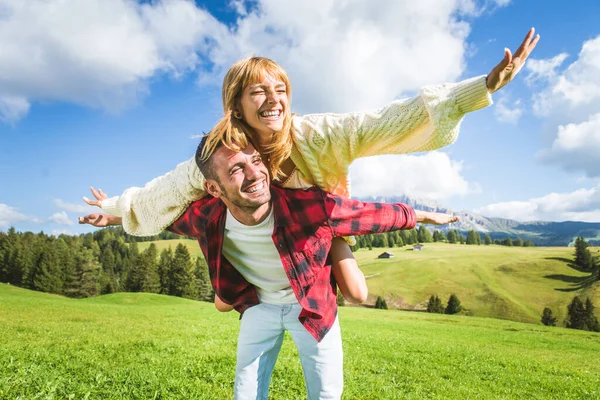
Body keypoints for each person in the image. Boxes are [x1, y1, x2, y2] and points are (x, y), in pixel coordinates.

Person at [81, 28, 538, 301]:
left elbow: (383, 120)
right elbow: (168, 189)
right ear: (236, 103)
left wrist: (481, 89)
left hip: (319, 220)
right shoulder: (224, 152)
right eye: (258, 91)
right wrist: (119, 209)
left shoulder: (316, 133)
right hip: (265, 234)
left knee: (356, 292)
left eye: (280, 89)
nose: (273, 99)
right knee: (229, 296)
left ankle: (319, 281)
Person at [84, 135, 458, 399]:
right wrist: (116, 219)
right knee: (246, 390)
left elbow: (374, 215)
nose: (254, 174)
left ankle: (336, 245)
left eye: (256, 161)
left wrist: (425, 215)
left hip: (310, 308)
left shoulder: (308, 206)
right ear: (213, 189)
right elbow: (162, 218)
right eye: (236, 170)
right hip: (259, 306)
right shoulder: (206, 217)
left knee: (326, 392)